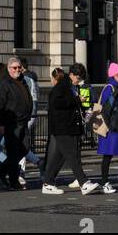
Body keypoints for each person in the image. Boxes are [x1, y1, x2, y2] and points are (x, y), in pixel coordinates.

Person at [41, 66, 87, 194]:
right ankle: (83, 182)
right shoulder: (62, 86)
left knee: (60, 156)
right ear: (71, 74)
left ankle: (48, 182)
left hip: (68, 125)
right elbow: (57, 103)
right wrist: (76, 100)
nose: (79, 81)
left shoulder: (72, 86)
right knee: (72, 155)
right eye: (78, 78)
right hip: (62, 126)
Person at [83, 63, 118, 194]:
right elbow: (107, 108)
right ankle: (105, 182)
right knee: (107, 156)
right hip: (110, 127)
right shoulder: (110, 87)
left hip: (117, 125)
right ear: (114, 75)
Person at [0, 56, 33, 190]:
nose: (17, 70)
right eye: (14, 68)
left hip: (23, 121)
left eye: (19, 67)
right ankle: (14, 181)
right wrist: (1, 124)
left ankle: (1, 170)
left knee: (24, 148)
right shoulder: (4, 83)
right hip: (11, 123)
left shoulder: (22, 81)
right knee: (13, 152)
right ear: (8, 69)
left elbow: (28, 98)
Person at [20, 59, 40, 169]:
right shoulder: (33, 77)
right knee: (21, 143)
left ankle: (21, 171)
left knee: (20, 144)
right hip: (32, 114)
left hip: (27, 115)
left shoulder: (26, 79)